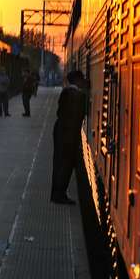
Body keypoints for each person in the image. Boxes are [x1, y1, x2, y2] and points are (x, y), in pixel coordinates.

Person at [51, 70, 87, 205]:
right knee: (66, 164)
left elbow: (59, 112)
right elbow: (78, 118)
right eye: (82, 79)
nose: (84, 81)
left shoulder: (65, 92)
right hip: (69, 135)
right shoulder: (78, 95)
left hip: (60, 131)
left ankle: (57, 193)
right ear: (77, 80)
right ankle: (60, 195)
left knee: (59, 163)